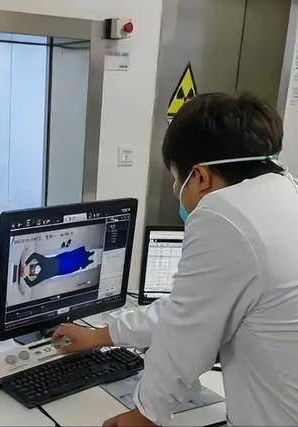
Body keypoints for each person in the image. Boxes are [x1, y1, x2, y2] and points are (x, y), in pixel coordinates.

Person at [52, 93, 298, 426]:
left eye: (175, 178)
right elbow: (186, 311)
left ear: (200, 177)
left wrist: (144, 415)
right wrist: (101, 335)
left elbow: (185, 337)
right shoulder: (285, 191)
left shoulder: (223, 214)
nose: (175, 190)